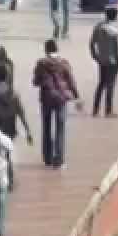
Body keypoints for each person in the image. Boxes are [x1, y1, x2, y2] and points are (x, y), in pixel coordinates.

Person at [32, 39, 78, 168]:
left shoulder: (41, 64)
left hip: (46, 97)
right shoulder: (63, 63)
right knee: (60, 129)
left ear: (46, 50)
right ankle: (59, 160)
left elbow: (35, 82)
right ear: (57, 49)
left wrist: (42, 81)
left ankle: (47, 159)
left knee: (46, 128)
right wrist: (76, 96)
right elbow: (71, 80)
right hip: (61, 99)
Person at [90, 7, 118, 117]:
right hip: (112, 62)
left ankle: (95, 109)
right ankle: (108, 111)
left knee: (101, 84)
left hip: (102, 61)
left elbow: (91, 43)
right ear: (115, 17)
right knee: (110, 86)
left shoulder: (98, 27)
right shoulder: (114, 32)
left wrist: (95, 56)